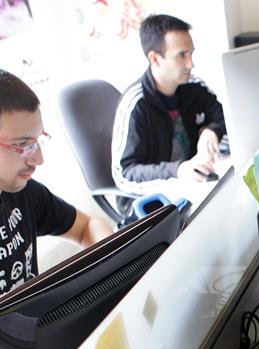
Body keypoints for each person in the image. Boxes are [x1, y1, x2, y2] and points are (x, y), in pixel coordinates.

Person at [0, 69, 112, 294]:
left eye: (37, 141)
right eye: (22, 145)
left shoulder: (22, 192)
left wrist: (114, 258)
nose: (38, 159)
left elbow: (87, 227)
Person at [111, 14, 226, 193]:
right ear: (155, 59)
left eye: (191, 54)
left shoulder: (193, 85)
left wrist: (212, 130)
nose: (191, 64)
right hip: (156, 198)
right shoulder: (136, 103)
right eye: (182, 56)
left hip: (195, 185)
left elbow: (226, 116)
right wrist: (177, 170)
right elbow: (124, 175)